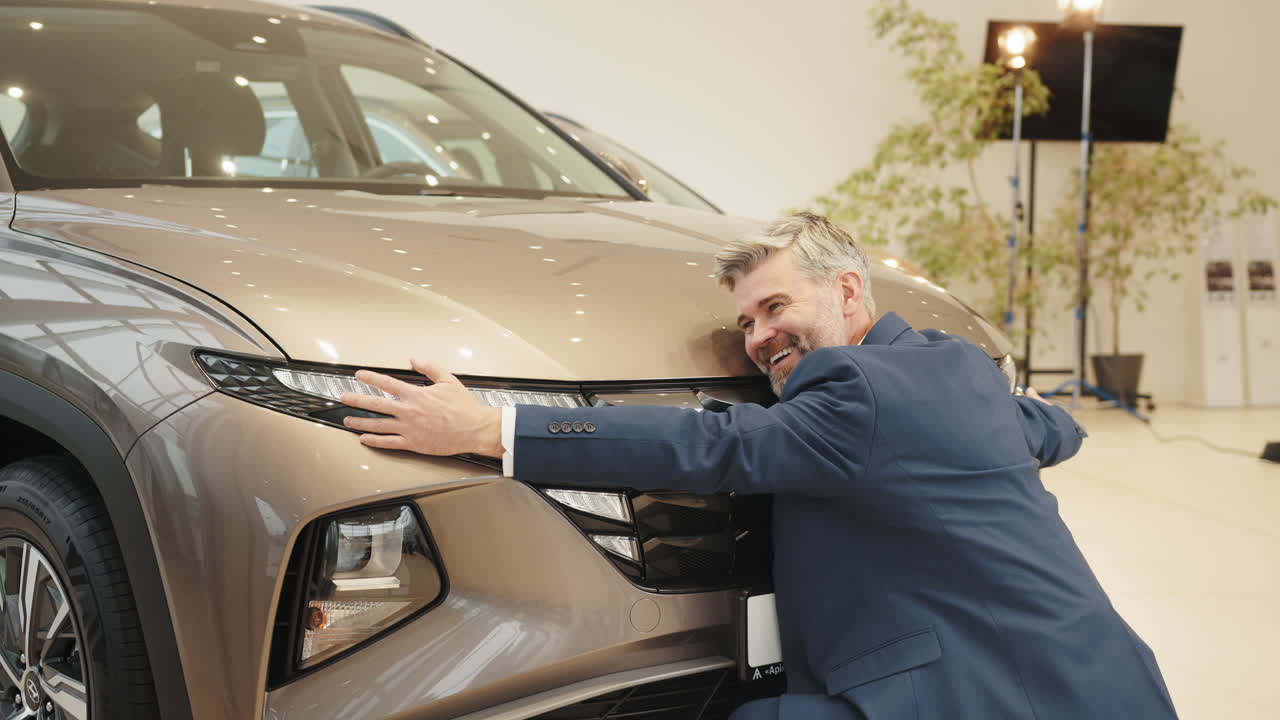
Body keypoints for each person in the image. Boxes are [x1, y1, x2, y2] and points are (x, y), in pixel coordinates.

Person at [338, 213, 1178, 719]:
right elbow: (1057, 429)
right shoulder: (957, 368)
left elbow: (712, 447)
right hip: (1105, 679)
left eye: (776, 307)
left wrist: (489, 427)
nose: (758, 338)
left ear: (848, 292)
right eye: (746, 322)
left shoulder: (856, 388)